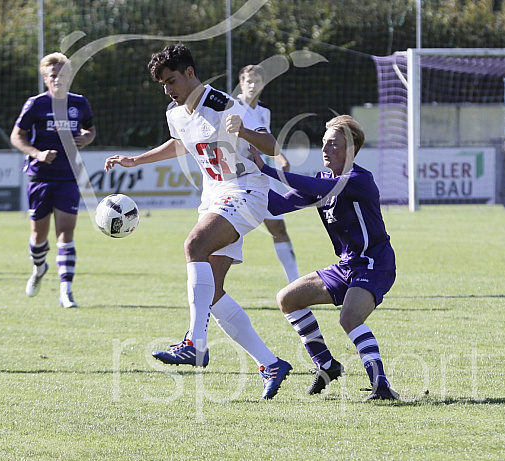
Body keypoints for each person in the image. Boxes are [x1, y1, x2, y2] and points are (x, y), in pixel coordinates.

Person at [104, 44, 291, 400]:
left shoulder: (223, 104)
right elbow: (179, 144)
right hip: (215, 196)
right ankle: (270, 363)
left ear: (190, 73)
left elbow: (270, 144)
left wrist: (245, 131)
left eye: (171, 80)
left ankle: (195, 344)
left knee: (194, 246)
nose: (168, 89)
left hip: (246, 191)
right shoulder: (176, 113)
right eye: (162, 84)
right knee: (214, 293)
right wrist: (136, 159)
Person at [250, 115, 401, 401]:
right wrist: (244, 178)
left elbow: (318, 189)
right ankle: (326, 364)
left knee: (350, 318)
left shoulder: (358, 180)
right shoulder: (323, 181)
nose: (325, 149)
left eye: (333, 144)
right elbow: (278, 204)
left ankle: (380, 385)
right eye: (323, 144)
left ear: (351, 150)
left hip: (374, 263)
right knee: (287, 299)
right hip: (347, 265)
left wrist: (266, 168)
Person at [10, 52, 96, 308]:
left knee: (66, 233)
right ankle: (38, 269)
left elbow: (90, 128)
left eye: (62, 74)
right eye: (53, 75)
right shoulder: (35, 104)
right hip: (39, 178)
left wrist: (87, 137)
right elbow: (17, 136)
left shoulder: (80, 103)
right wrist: (37, 153)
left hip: (68, 177)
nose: (58, 79)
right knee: (38, 236)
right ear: (46, 79)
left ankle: (66, 291)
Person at [236, 64, 299, 283]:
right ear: (241, 83)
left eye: (257, 81)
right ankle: (211, 290)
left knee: (278, 228)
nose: (253, 85)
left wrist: (281, 159)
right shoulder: (232, 107)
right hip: (239, 180)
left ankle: (295, 283)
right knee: (226, 235)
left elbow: (266, 142)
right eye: (248, 81)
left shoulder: (264, 111)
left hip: (262, 177)